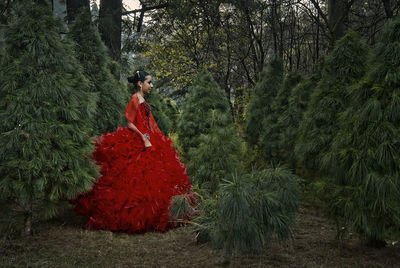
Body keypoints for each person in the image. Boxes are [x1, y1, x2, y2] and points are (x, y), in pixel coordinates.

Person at [72, 70, 195, 233]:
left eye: (151, 82)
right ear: (140, 83)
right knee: (134, 177)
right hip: (139, 139)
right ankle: (136, 217)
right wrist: (144, 137)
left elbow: (149, 123)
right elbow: (130, 123)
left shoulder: (142, 99)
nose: (151, 85)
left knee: (155, 176)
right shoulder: (135, 99)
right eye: (149, 82)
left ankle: (169, 211)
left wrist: (155, 137)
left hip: (148, 138)